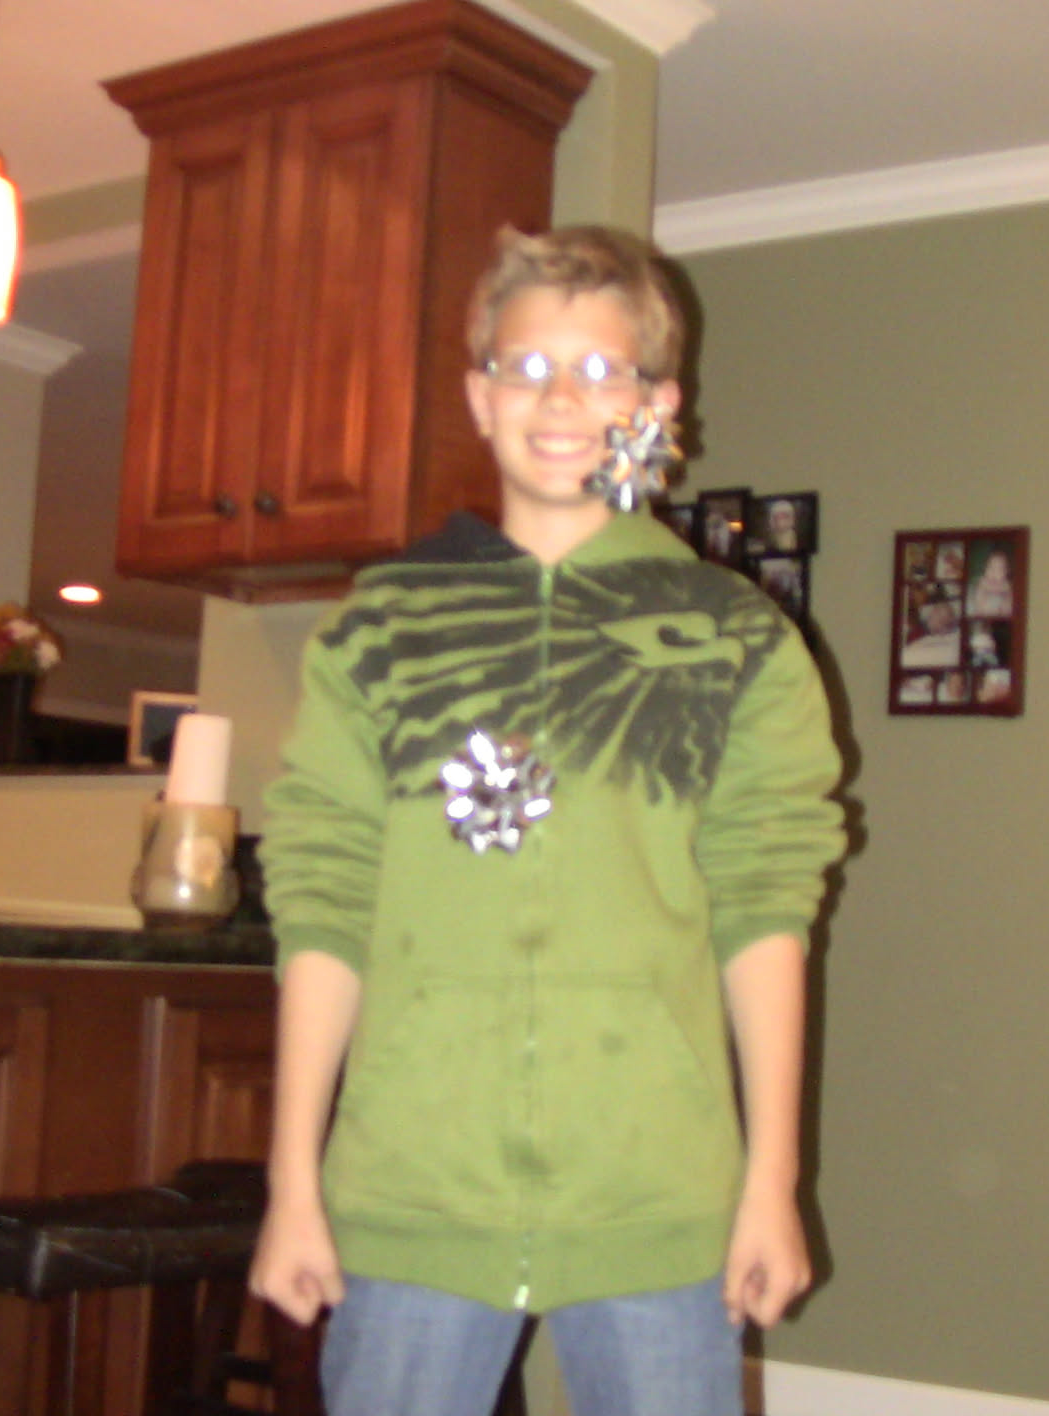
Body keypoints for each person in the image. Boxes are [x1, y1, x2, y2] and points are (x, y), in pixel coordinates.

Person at [250, 224, 847, 1416]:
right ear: (480, 397)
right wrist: (292, 1182)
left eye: (601, 369)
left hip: (658, 1198)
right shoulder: (380, 629)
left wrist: (770, 1182)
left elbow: (766, 908)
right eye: (526, 367)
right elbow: (324, 903)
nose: (561, 398)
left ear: (658, 403)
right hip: (413, 1193)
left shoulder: (736, 637)